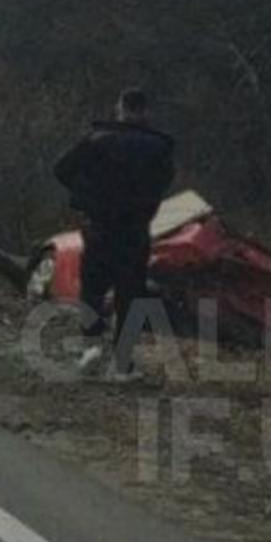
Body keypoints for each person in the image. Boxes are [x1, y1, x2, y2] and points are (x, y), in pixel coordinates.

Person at [54, 87, 175, 380]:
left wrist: (84, 198)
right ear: (145, 112)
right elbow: (164, 182)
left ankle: (91, 347)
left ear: (119, 109)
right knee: (130, 295)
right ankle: (123, 364)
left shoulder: (96, 140)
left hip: (99, 225)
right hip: (134, 230)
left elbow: (61, 169)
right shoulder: (158, 147)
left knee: (92, 289)